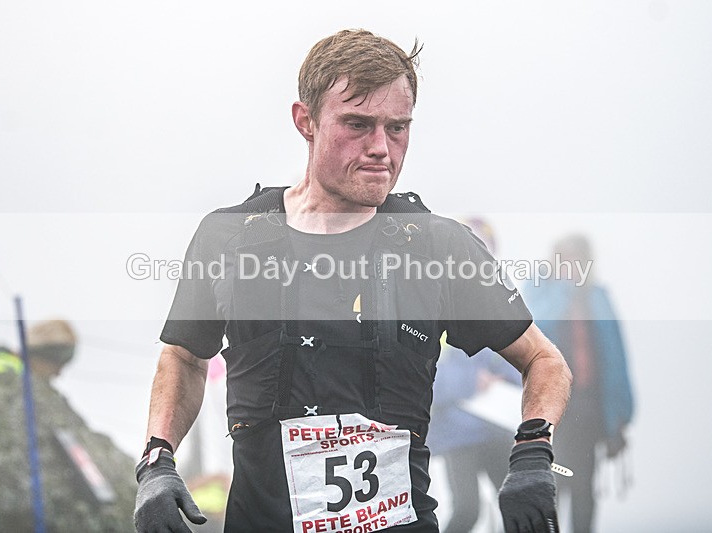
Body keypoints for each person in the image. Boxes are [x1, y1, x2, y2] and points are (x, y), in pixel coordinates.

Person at [135, 29, 572, 533]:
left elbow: (544, 360)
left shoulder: (437, 246)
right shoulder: (230, 237)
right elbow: (184, 356)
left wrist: (533, 451)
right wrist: (156, 461)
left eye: (397, 127)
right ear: (305, 121)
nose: (381, 148)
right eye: (358, 124)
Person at [0, 320, 138, 532]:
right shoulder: (10, 384)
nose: (58, 374)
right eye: (58, 365)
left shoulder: (8, 374)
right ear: (41, 356)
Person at [524, 235, 634, 533]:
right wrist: (563, 289)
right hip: (552, 406)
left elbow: (615, 356)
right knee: (554, 481)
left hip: (590, 406)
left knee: (584, 483)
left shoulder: (597, 298)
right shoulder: (539, 291)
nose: (572, 265)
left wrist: (620, 414)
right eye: (566, 258)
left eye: (577, 259)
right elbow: (535, 330)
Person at [428, 219, 524, 533]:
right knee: (468, 511)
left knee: (517, 508)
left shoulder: (502, 304)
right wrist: (471, 382)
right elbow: (421, 377)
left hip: (497, 429)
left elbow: (520, 363)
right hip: (457, 433)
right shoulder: (430, 303)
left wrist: (504, 382)